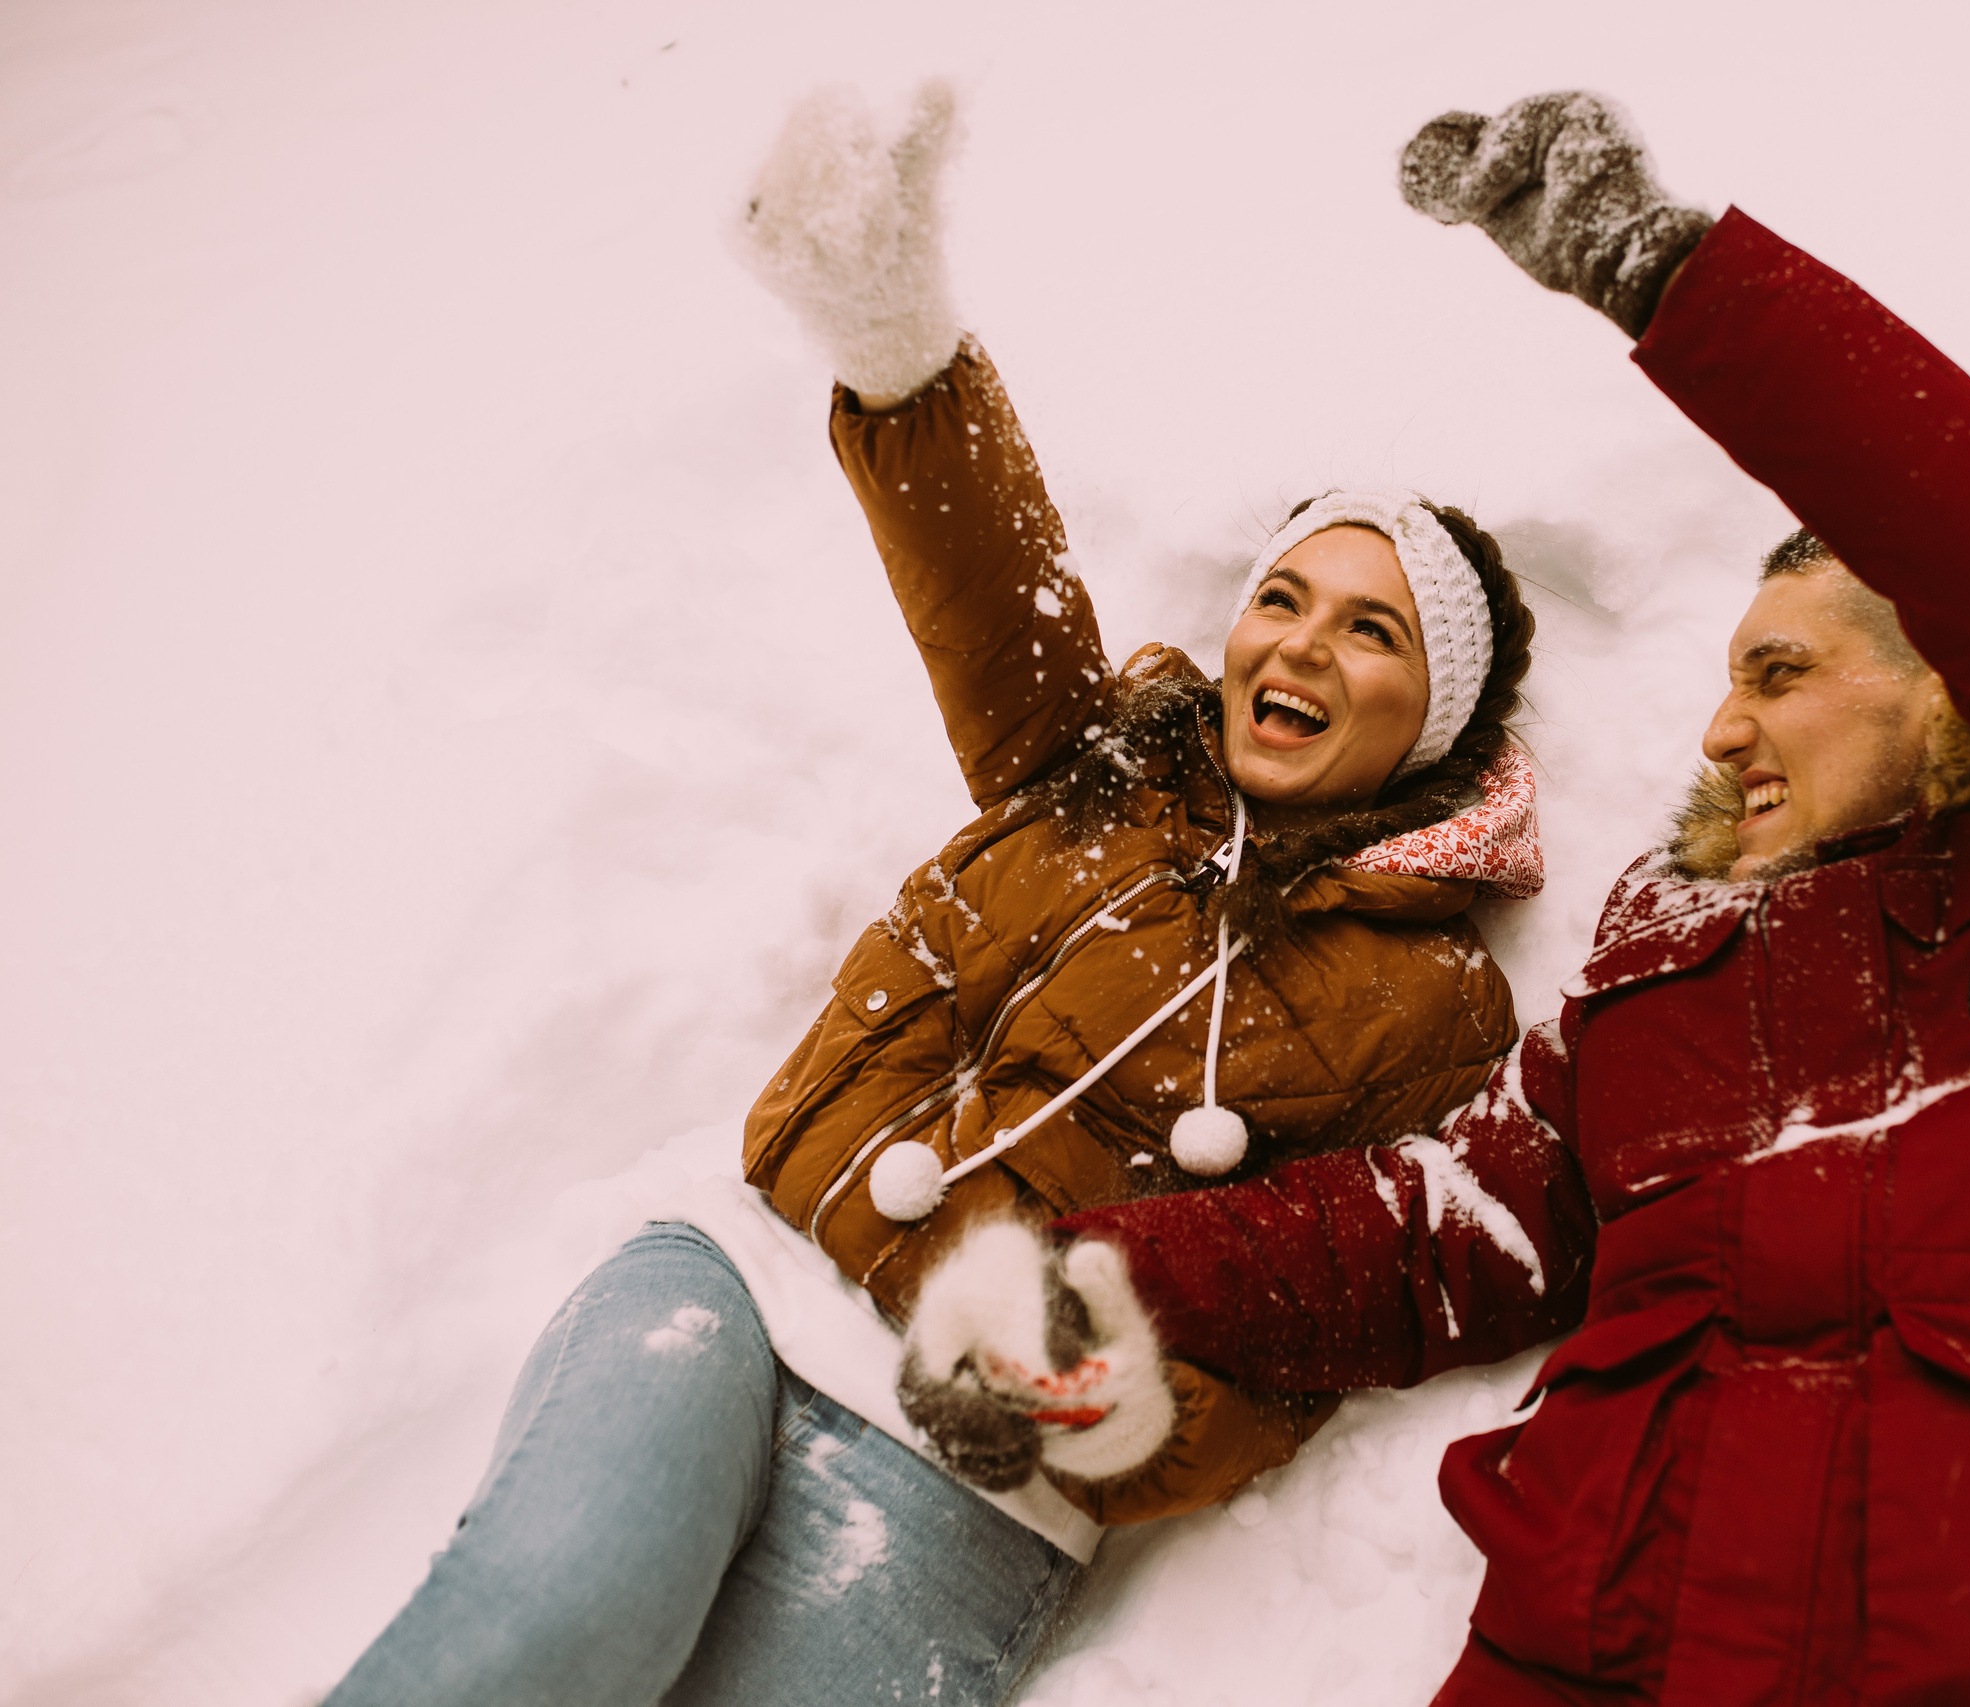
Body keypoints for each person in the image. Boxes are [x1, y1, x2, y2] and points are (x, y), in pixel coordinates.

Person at [1040, 93, 1970, 1703]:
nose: (1721, 726)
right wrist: (1094, 1274)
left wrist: (1681, 284)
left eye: (1782, 672)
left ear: (1952, 677)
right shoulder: (1664, 972)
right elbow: (1426, 1236)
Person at [322, 83, 1568, 1707]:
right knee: (553, 1630)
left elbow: (1322, 1311)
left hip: (978, 1474)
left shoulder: (1437, 1000)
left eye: (1371, 632)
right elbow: (995, 580)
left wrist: (1118, 1423)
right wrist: (892, 331)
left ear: (1440, 725)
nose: (1299, 647)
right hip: (750, 1282)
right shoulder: (1103, 758)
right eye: (1285, 596)